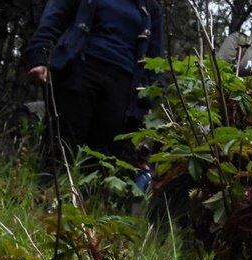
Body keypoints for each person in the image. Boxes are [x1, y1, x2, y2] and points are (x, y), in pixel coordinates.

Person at [24, 0, 164, 175]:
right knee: (61, 149)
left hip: (123, 88)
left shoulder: (149, 7)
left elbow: (156, 57)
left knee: (102, 163)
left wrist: (149, 100)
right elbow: (54, 16)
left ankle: (87, 201)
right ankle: (47, 198)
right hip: (79, 71)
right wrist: (39, 55)